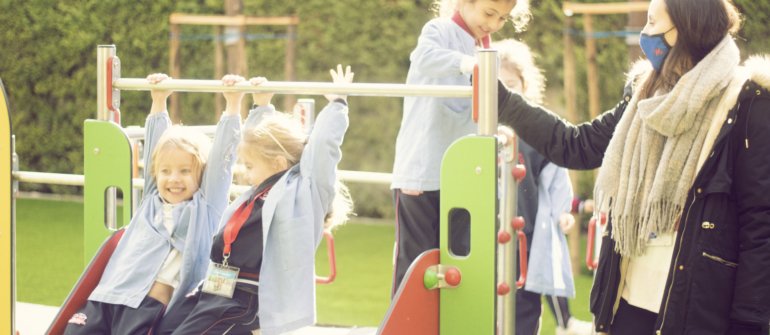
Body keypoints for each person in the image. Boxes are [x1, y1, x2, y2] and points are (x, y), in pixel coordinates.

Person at [497, 0, 770, 334]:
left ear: (683, 32)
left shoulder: (746, 103)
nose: (645, 34)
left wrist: (750, 322)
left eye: (653, 23)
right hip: (628, 302)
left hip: (696, 312)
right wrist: (504, 102)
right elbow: (577, 145)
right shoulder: (645, 93)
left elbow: (760, 224)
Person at [155, 65, 355, 335]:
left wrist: (337, 104)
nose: (246, 174)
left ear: (278, 163)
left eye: (250, 167)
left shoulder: (303, 192)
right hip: (215, 287)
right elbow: (257, 141)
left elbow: (323, 151)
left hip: (247, 298)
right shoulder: (257, 192)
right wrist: (262, 106)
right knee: (164, 327)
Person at [63, 73, 242, 334]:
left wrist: (233, 105)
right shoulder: (151, 200)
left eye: (185, 171)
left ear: (202, 175)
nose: (174, 179)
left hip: (147, 306)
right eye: (166, 171)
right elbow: (153, 150)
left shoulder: (204, 209)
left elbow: (223, 164)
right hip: (107, 295)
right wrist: (158, 100)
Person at [390, 0, 530, 295]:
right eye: (489, 13)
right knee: (416, 270)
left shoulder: (484, 49)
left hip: (461, 181)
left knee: (457, 271)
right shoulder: (440, 30)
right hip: (422, 174)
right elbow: (424, 57)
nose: (493, 23)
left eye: (502, 19)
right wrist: (468, 63)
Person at [493, 38, 593, 335]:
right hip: (489, 238)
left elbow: (554, 180)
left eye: (511, 84)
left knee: (524, 308)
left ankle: (564, 322)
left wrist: (564, 210)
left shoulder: (534, 134)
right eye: (498, 86)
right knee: (487, 306)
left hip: (526, 237)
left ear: (524, 87)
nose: (505, 92)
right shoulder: (478, 131)